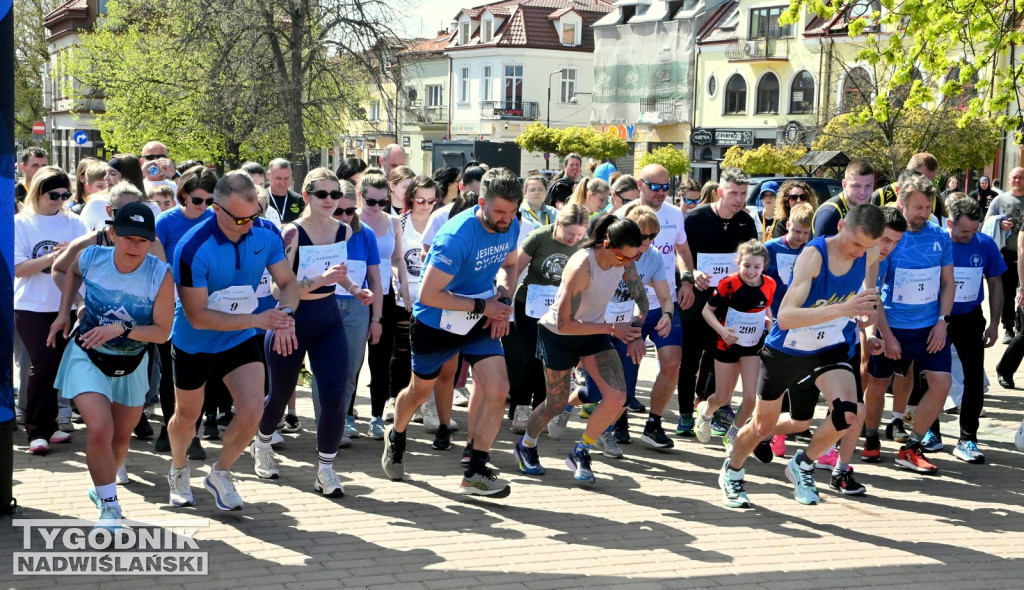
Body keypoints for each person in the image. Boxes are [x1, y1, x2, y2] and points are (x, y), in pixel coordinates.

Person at [718, 204, 884, 508]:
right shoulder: (814, 255)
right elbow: (785, 318)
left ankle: (803, 463)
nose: (859, 252)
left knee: (848, 413)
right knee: (762, 427)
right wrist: (844, 308)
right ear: (841, 226)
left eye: (867, 247)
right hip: (788, 349)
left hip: (829, 347)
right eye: (856, 244)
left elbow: (868, 293)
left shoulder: (869, 252)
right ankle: (732, 471)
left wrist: (868, 315)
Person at [381, 167, 522, 497]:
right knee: (418, 393)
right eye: (500, 212)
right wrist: (485, 306)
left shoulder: (511, 224)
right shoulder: (456, 237)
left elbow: (511, 264)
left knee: (498, 387)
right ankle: (396, 434)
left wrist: (503, 299)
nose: (506, 219)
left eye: (512, 211)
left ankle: (476, 471)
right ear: (481, 203)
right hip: (435, 323)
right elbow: (428, 295)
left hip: (478, 319)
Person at [167, 173, 301, 510]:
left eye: (254, 216)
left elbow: (288, 283)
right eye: (241, 219)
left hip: (239, 337)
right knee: (187, 416)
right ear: (217, 209)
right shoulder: (192, 247)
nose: (248, 224)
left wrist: (285, 315)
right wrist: (257, 320)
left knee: (254, 410)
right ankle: (179, 469)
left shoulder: (265, 233)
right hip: (195, 341)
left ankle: (221, 473)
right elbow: (197, 316)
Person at [47, 202, 174, 526]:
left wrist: (122, 329)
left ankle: (101, 488)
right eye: (128, 237)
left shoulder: (160, 274)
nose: (135, 246)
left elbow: (162, 333)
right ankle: (110, 506)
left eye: (143, 240)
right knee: (100, 428)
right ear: (113, 233)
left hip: (132, 362)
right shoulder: (91, 257)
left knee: (120, 439)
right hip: (87, 353)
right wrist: (66, 311)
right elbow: (69, 271)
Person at [252, 168, 372, 497]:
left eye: (335, 195)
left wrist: (354, 289)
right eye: (322, 194)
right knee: (280, 393)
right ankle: (262, 443)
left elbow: (338, 272)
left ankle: (326, 470)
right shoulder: (291, 233)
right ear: (306, 196)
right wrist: (322, 280)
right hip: (291, 319)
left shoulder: (343, 230)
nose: (330, 200)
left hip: (327, 318)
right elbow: (278, 289)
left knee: (335, 395)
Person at [515, 214, 647, 482]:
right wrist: (613, 329)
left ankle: (581, 451)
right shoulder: (581, 267)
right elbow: (564, 324)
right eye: (623, 257)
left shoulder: (625, 259)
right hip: (558, 335)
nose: (627, 263)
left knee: (617, 397)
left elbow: (641, 298)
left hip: (595, 332)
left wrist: (635, 330)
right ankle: (526, 445)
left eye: (634, 257)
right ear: (607, 244)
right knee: (556, 403)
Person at [864, 174, 954, 475]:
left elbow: (948, 282)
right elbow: (874, 292)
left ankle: (911, 447)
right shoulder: (889, 237)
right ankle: (872, 437)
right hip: (893, 326)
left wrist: (942, 322)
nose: (924, 213)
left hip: (930, 328)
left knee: (942, 384)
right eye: (918, 207)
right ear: (901, 202)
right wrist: (886, 335)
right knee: (878, 384)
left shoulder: (940, 235)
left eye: (928, 207)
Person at [581, 204, 680, 450]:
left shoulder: (653, 257)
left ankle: (604, 433)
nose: (647, 241)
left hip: (625, 324)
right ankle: (567, 406)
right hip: (596, 324)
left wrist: (665, 316)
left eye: (653, 236)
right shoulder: (608, 252)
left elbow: (658, 298)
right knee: (593, 392)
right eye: (643, 236)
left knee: (622, 390)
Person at [14, 166, 89, 454]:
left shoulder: (74, 222)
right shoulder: (21, 223)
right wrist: (54, 257)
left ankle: (50, 423)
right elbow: (19, 269)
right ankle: (35, 430)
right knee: (43, 363)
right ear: (37, 193)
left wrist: (73, 254)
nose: (59, 201)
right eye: (53, 195)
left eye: (65, 195)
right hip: (30, 305)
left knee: (57, 366)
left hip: (65, 304)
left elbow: (89, 259)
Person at [676, 167, 756, 436]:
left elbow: (751, 259)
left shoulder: (746, 222)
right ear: (720, 192)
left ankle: (707, 405)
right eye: (733, 193)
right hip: (696, 299)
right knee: (689, 359)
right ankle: (684, 414)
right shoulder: (695, 218)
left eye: (743, 194)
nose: (738, 199)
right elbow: (678, 252)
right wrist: (692, 273)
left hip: (728, 303)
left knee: (717, 357)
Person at [929, 197, 1000, 464]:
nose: (969, 236)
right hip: (936, 319)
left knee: (973, 378)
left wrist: (994, 323)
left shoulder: (985, 244)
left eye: (974, 230)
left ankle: (968, 438)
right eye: (963, 231)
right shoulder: (936, 242)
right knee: (931, 375)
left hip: (970, 318)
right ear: (949, 223)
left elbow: (995, 284)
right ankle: (930, 432)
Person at [152, 165, 218, 454]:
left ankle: (192, 433)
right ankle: (171, 428)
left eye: (210, 201)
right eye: (197, 200)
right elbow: (154, 264)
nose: (203, 206)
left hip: (204, 305)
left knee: (199, 372)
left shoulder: (215, 221)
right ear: (183, 195)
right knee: (170, 372)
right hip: (169, 304)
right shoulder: (165, 222)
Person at [508, 204, 589, 432]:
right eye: (570, 233)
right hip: (530, 305)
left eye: (579, 235)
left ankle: (540, 409)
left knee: (550, 360)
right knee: (529, 357)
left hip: (561, 309)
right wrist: (505, 300)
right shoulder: (539, 237)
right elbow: (514, 269)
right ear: (558, 224)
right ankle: (521, 406)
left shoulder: (584, 244)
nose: (574, 239)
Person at [315, 182, 384, 441]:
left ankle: (339, 421)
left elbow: (375, 280)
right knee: (324, 370)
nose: (345, 216)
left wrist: (377, 319)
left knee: (350, 370)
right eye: (339, 211)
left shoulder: (365, 233)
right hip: (325, 302)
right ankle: (325, 427)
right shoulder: (319, 232)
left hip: (357, 308)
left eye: (350, 211)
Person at [697, 240, 776, 449]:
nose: (751, 271)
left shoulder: (769, 284)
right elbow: (707, 311)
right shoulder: (728, 283)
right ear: (738, 263)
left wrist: (770, 328)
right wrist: (722, 331)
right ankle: (705, 413)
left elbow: (766, 310)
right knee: (722, 397)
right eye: (747, 265)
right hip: (727, 343)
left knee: (751, 398)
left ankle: (733, 434)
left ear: (764, 266)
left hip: (753, 345)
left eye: (757, 267)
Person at [359, 171, 411, 438]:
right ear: (360, 196)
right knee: (353, 359)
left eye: (382, 202)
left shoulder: (392, 222)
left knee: (380, 358)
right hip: (357, 295)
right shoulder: (351, 220)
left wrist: (404, 285)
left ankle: (377, 415)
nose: (377, 207)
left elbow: (397, 258)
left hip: (386, 296)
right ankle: (348, 414)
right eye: (371, 202)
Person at [985, 168, 1024, 343]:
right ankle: (1008, 328)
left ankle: (1020, 325)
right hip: (1006, 254)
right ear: (1009, 179)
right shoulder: (1000, 200)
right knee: (1007, 294)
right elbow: (986, 221)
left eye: (1021, 177)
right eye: (1014, 177)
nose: (1017, 180)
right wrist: (999, 223)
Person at [764, 202, 813, 317]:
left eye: (806, 233)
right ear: (788, 225)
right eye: (797, 231)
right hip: (772, 310)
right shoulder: (769, 248)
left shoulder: (811, 251)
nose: (801, 237)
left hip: (798, 311)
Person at [813, 159, 876, 238]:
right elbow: (819, 246)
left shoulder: (870, 210)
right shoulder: (830, 214)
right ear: (844, 185)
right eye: (856, 186)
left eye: (868, 186)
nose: (863, 192)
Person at [266, 158, 305, 223]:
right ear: (269, 175)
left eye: (286, 178)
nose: (282, 182)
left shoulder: (299, 200)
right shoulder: (259, 199)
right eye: (278, 178)